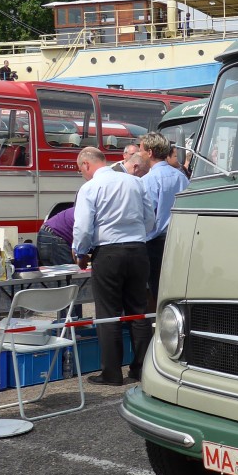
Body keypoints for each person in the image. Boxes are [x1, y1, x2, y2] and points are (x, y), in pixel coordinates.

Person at [73, 147, 155, 386]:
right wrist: (137, 235)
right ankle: (141, 369)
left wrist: (80, 252)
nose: (82, 174)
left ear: (87, 165)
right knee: (138, 311)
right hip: (138, 250)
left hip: (108, 252)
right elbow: (150, 218)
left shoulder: (90, 188)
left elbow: (84, 227)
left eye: (81, 170)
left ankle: (111, 372)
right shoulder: (134, 183)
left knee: (108, 314)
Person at [139, 132, 188, 306]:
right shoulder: (181, 177)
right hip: (179, 240)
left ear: (150, 152)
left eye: (141, 150)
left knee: (157, 290)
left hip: (155, 243)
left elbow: (147, 214)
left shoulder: (148, 180)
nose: (140, 154)